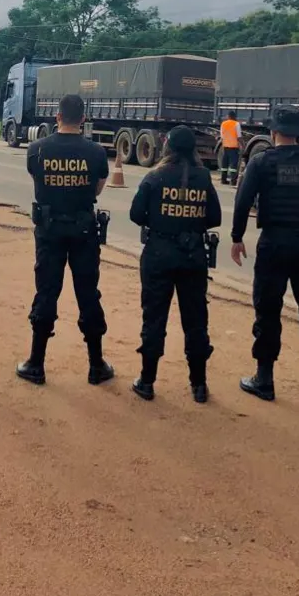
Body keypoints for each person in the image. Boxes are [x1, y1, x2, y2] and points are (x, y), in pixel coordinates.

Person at [230, 105, 299, 407]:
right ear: (298, 133)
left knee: (267, 309)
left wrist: (237, 238)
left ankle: (264, 379)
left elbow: (242, 203)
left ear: (273, 131)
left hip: (274, 243)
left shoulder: (260, 162)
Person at [17, 94, 113, 386]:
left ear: (57, 117)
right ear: (83, 119)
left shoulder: (37, 149)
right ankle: (96, 365)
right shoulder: (96, 152)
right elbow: (96, 189)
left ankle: (36, 363)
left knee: (46, 292)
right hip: (84, 231)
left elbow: (38, 181)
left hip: (49, 231)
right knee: (88, 294)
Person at [129, 125, 222, 403]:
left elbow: (136, 214)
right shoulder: (204, 177)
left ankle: (147, 382)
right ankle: (199, 386)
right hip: (193, 256)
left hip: (158, 254)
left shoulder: (154, 176)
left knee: (154, 318)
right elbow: (215, 218)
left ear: (167, 147)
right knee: (195, 322)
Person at [219, 110, 242, 186]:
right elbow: (239, 137)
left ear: (228, 116)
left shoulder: (223, 124)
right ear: (234, 117)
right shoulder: (236, 124)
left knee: (224, 164)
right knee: (233, 165)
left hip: (225, 146)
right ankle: (233, 181)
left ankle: (223, 180)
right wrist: (243, 145)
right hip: (233, 147)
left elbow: (222, 136)